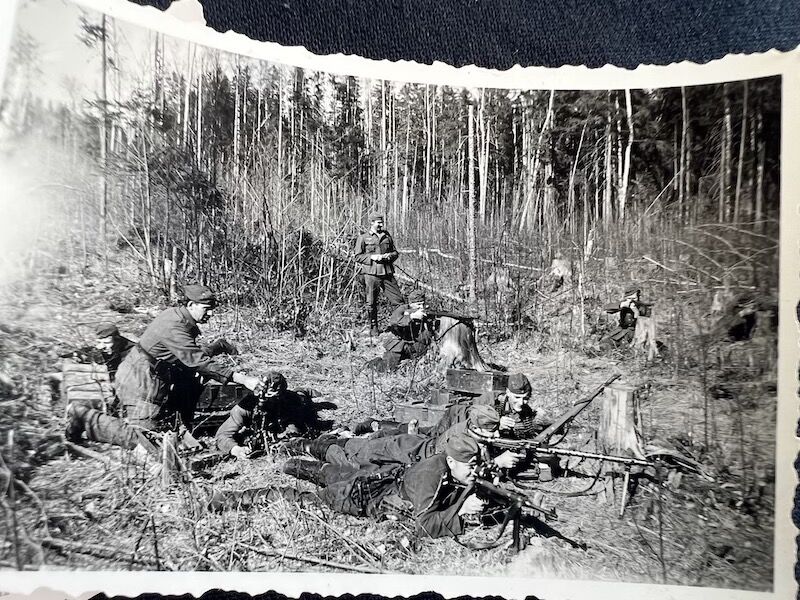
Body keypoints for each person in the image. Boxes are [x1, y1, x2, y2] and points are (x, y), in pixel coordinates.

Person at [65, 284, 264, 449]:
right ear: (192, 304)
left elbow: (188, 360)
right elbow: (198, 361)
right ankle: (83, 417)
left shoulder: (178, 316)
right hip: (140, 382)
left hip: (150, 377)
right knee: (146, 441)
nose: (210, 313)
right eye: (206, 308)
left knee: (163, 430)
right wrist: (243, 379)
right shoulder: (174, 326)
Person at [283, 432, 488, 538]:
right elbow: (424, 527)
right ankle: (259, 495)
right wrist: (461, 510)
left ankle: (292, 464)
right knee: (315, 500)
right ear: (451, 461)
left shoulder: (451, 466)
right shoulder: (431, 475)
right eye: (470, 466)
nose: (475, 471)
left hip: (382, 478)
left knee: (332, 473)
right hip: (368, 497)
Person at [283, 404, 524, 473]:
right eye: (490, 431)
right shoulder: (460, 437)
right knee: (355, 453)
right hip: (402, 450)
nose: (494, 435)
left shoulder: (474, 434)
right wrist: (495, 464)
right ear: (476, 428)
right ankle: (300, 445)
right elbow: (457, 468)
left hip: (412, 448)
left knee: (359, 447)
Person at [216, 370, 336, 460]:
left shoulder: (291, 401)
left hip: (295, 403)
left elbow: (298, 426)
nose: (270, 402)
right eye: (266, 397)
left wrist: (285, 436)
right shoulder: (244, 408)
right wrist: (235, 449)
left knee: (303, 400)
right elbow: (222, 435)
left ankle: (304, 390)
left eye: (276, 397)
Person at [353, 212, 403, 336]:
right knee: (371, 302)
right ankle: (373, 328)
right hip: (371, 274)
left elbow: (395, 252)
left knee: (398, 300)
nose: (381, 225)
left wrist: (389, 256)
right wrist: (372, 257)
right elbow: (357, 256)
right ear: (372, 223)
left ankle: (400, 326)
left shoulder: (386, 236)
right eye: (378, 222)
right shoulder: (363, 238)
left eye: (382, 222)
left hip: (387, 273)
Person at [375, 289, 434, 371]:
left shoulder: (424, 311)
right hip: (397, 344)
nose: (421, 306)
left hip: (413, 345)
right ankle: (373, 363)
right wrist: (411, 317)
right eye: (418, 304)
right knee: (387, 369)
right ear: (410, 304)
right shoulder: (401, 310)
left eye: (423, 304)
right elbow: (394, 321)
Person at [60, 321, 136, 383]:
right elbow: (88, 352)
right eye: (100, 342)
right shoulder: (106, 346)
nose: (102, 346)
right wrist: (79, 355)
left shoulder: (131, 351)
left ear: (116, 339)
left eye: (106, 343)